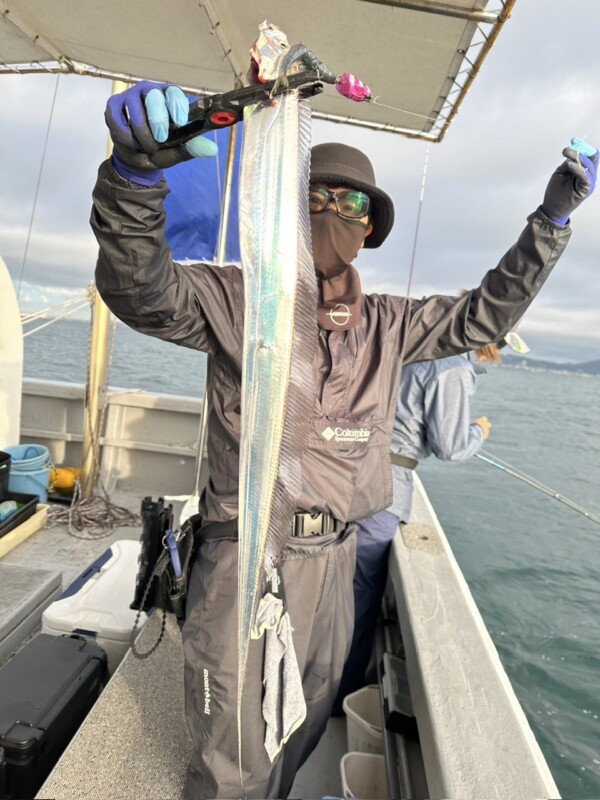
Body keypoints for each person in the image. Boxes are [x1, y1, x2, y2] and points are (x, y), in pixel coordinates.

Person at [90, 80, 597, 799]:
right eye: (318, 197)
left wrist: (549, 221)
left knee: (306, 721)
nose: (335, 211)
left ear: (370, 228)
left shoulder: (392, 325)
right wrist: (134, 179)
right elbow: (138, 287)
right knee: (233, 754)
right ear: (288, 212)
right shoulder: (239, 299)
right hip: (247, 556)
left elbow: (486, 315)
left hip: (336, 564)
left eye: (353, 203)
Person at [333, 333, 527, 709]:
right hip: (382, 489)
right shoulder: (452, 367)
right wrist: (479, 431)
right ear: (494, 340)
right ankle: (336, 698)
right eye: (501, 347)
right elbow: (450, 446)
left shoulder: (414, 346)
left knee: (327, 582)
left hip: (343, 471)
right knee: (358, 598)